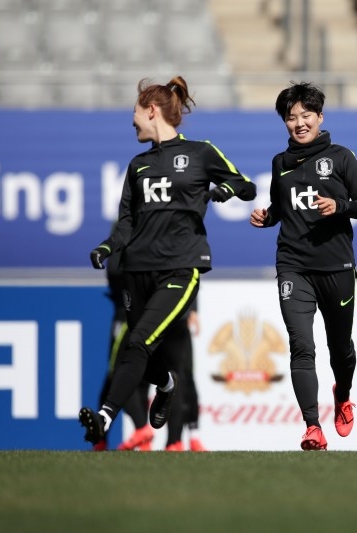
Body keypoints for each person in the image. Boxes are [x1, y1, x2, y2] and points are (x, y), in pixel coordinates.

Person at [79, 75, 257, 445]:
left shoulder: (200, 152)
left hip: (181, 266)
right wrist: (107, 247)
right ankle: (165, 383)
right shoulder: (137, 166)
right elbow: (126, 222)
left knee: (139, 341)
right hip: (136, 270)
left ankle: (105, 419)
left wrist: (225, 189)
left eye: (135, 113)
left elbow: (247, 185)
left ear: (151, 110)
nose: (132, 121)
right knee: (140, 345)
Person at [249, 82, 357, 450]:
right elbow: (281, 209)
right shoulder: (280, 163)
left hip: (336, 267)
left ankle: (343, 394)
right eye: (291, 117)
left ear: (320, 117)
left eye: (306, 115)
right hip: (293, 267)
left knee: (340, 348)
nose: (299, 123)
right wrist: (266, 216)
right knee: (302, 346)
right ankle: (312, 427)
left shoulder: (341, 157)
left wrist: (340, 207)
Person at [92, 248, 154, 451]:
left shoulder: (128, 224)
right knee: (137, 376)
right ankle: (102, 438)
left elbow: (116, 271)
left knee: (118, 374)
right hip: (149, 310)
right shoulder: (149, 226)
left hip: (128, 312)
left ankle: (141, 429)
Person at [164, 305, 207, 452]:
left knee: (185, 378)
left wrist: (193, 309)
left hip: (179, 322)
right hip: (164, 322)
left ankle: (189, 437)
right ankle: (174, 441)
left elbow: (191, 281)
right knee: (174, 380)